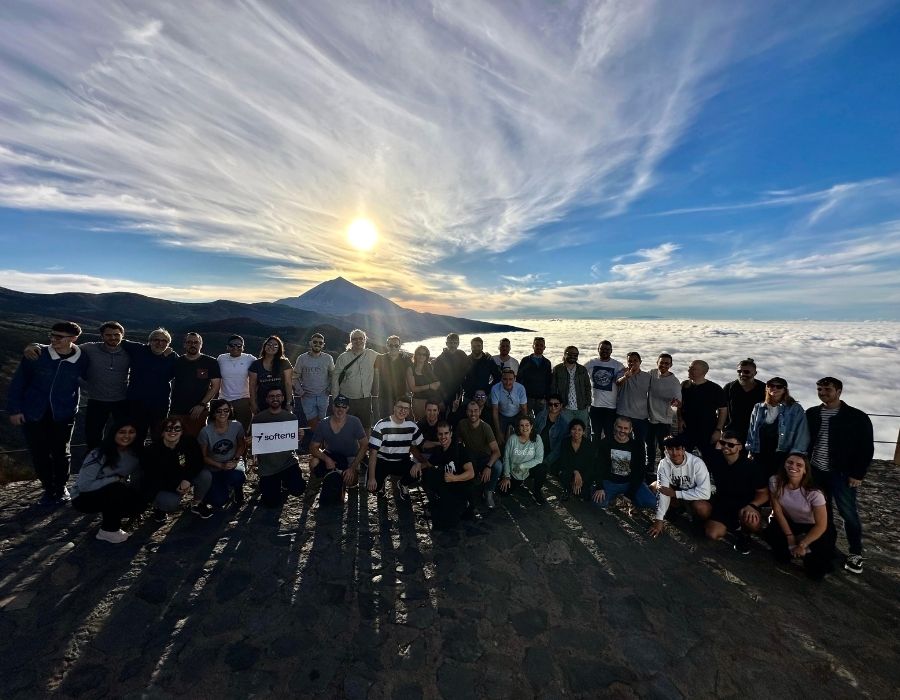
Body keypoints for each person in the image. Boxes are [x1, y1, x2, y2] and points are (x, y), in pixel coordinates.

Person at [8, 321, 88, 504]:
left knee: (61, 452)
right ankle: (48, 489)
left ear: (73, 339)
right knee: (39, 452)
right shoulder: (37, 354)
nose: (53, 339)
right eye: (51, 335)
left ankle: (61, 488)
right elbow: (18, 382)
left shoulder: (82, 358)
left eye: (59, 337)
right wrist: (15, 409)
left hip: (63, 413)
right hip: (33, 412)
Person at [24, 321, 130, 450]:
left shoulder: (129, 350)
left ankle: (119, 465)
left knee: (124, 437)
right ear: (101, 336)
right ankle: (94, 466)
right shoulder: (89, 348)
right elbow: (65, 345)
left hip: (122, 401)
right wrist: (35, 345)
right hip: (96, 400)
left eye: (116, 334)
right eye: (108, 335)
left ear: (122, 335)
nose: (113, 337)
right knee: (93, 438)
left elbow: (149, 349)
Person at [806, 376, 874, 575]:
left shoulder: (856, 417)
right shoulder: (812, 413)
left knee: (848, 513)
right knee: (821, 512)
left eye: (827, 389)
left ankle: (855, 552)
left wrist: (857, 473)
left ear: (839, 392)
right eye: (819, 389)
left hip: (842, 474)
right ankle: (825, 546)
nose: (823, 393)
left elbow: (866, 448)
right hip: (816, 471)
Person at [763, 453, 835, 581]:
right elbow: (777, 511)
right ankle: (794, 544)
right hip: (790, 521)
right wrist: (790, 537)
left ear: (805, 470)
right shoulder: (775, 481)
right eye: (789, 462)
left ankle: (816, 553)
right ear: (784, 464)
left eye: (799, 465)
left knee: (815, 574)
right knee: (781, 557)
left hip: (813, 526)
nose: (793, 466)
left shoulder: (814, 493)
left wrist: (802, 544)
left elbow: (821, 525)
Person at [71, 422, 146, 543]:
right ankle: (108, 531)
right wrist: (115, 479)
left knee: (138, 504)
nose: (126, 436)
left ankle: (112, 514)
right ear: (113, 433)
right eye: (122, 432)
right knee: (116, 489)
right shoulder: (98, 453)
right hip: (83, 498)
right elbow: (84, 486)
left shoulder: (135, 455)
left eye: (131, 432)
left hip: (110, 492)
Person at [704, 430, 768, 554]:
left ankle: (744, 534)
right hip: (723, 504)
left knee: (753, 522)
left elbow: (764, 493)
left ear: (740, 447)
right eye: (723, 443)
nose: (726, 447)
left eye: (731, 445)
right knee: (712, 534)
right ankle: (733, 526)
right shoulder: (716, 460)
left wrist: (753, 505)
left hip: (745, 505)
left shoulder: (751, 466)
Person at [144, 417, 213, 520]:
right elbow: (154, 477)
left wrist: (187, 479)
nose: (173, 431)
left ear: (182, 431)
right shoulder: (153, 450)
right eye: (168, 428)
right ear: (162, 432)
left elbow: (197, 463)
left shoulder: (190, 441)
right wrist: (176, 486)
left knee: (205, 475)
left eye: (177, 428)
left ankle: (197, 504)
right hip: (165, 485)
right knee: (169, 503)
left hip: (185, 477)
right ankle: (159, 509)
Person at [251, 387, 306, 507]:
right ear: (266, 399)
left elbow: (294, 443)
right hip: (267, 466)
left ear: (282, 398)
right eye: (271, 396)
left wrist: (300, 437)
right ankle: (272, 485)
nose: (275, 398)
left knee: (298, 489)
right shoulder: (258, 419)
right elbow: (255, 444)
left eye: (278, 396)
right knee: (271, 503)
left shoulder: (291, 418)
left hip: (288, 462)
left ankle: (286, 483)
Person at [309, 394, 368, 505]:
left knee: (351, 481)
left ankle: (340, 483)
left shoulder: (355, 422)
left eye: (344, 407)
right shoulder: (323, 423)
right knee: (313, 462)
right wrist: (326, 459)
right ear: (333, 407)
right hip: (331, 455)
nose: (340, 409)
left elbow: (364, 445)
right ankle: (316, 486)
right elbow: (313, 447)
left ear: (348, 409)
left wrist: (353, 467)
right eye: (338, 406)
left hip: (350, 457)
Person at [123, 328, 179, 444]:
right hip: (136, 402)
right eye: (156, 340)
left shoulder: (172, 357)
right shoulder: (139, 349)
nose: (160, 343)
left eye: (164, 341)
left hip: (160, 404)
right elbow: (119, 341)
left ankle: (156, 460)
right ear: (149, 341)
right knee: (137, 435)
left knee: (158, 435)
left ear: (168, 344)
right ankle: (136, 460)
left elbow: (182, 374)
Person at [649, 435, 711, 538]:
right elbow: (664, 491)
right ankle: (674, 509)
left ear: (683, 449)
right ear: (666, 449)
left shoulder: (697, 463)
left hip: (693, 497)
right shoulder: (663, 464)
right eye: (670, 449)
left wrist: (676, 493)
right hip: (676, 496)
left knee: (702, 508)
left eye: (678, 449)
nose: (674, 453)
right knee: (654, 487)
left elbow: (705, 493)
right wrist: (659, 520)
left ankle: (699, 521)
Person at [745, 377, 809, 477]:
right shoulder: (758, 407)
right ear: (767, 388)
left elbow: (801, 432)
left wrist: (796, 455)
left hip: (782, 454)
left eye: (778, 386)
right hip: (760, 452)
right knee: (759, 483)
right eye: (771, 386)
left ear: (784, 390)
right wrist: (751, 450)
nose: (774, 388)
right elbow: (752, 430)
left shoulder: (795, 408)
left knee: (777, 484)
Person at [366, 397, 425, 501]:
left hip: (402, 461)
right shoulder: (381, 425)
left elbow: (419, 445)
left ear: (409, 410)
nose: (403, 411)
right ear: (394, 408)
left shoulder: (412, 426)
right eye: (400, 407)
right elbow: (373, 453)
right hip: (383, 461)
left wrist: (420, 462)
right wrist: (371, 478)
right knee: (372, 488)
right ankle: (380, 484)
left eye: (406, 408)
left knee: (417, 472)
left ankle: (402, 484)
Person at [592, 416, 656, 510]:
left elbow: (640, 472)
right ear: (615, 426)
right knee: (598, 503)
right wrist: (599, 486)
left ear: (630, 430)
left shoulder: (637, 446)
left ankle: (634, 501)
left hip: (630, 482)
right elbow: (598, 466)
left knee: (651, 502)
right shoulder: (605, 443)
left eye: (626, 428)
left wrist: (630, 493)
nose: (622, 431)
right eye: (619, 427)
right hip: (610, 482)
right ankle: (612, 497)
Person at [421, 421, 476, 529]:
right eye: (440, 434)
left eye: (446, 433)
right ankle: (439, 502)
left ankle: (465, 506)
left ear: (450, 434)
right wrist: (418, 466)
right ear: (437, 435)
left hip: (462, 489)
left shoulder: (460, 449)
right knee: (429, 474)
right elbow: (429, 464)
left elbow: (471, 473)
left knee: (448, 524)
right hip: (449, 487)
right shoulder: (439, 450)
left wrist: (455, 478)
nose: (443, 436)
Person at [169, 332, 222, 437]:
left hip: (199, 411)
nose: (192, 345)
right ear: (184, 344)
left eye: (196, 342)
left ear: (201, 344)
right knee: (175, 441)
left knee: (196, 443)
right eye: (189, 342)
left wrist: (202, 405)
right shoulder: (177, 362)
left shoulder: (210, 362)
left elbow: (215, 386)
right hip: (177, 409)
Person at [198, 399, 247, 508]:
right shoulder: (205, 432)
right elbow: (203, 456)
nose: (223, 414)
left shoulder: (237, 426)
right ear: (213, 413)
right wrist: (220, 465)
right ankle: (220, 487)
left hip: (232, 462)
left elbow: (241, 445)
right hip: (214, 466)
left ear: (230, 412)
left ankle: (237, 489)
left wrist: (235, 459)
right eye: (219, 411)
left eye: (226, 410)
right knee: (218, 502)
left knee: (238, 476)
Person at [456, 400, 503, 510]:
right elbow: (458, 442)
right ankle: (468, 494)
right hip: (470, 457)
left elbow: (497, 451)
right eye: (470, 411)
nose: (473, 414)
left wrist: (488, 466)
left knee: (498, 466)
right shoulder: (462, 424)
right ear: (467, 412)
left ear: (480, 411)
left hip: (484, 458)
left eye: (476, 411)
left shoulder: (486, 427)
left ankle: (489, 491)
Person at [679, 360, 727, 464]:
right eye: (689, 368)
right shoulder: (684, 385)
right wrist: (680, 419)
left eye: (693, 369)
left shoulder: (715, 389)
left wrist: (718, 430)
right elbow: (680, 405)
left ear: (703, 372)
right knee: (682, 458)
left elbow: (723, 410)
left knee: (711, 460)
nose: (689, 370)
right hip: (687, 429)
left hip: (707, 430)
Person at [332, 329, 379, 435]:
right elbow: (335, 379)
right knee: (346, 426)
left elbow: (387, 359)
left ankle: (365, 448)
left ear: (365, 340)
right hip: (347, 399)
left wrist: (403, 356)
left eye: (360, 338)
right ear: (351, 341)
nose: (358, 341)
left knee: (366, 426)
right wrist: (335, 400)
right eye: (355, 339)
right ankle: (349, 449)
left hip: (365, 398)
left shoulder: (372, 355)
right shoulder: (343, 357)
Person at [499, 415, 546, 505]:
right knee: (503, 492)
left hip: (529, 469)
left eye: (527, 425)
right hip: (514, 471)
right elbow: (506, 458)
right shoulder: (512, 439)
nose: (524, 428)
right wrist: (506, 476)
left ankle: (537, 491)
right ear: (518, 427)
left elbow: (539, 459)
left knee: (543, 468)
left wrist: (522, 465)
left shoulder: (537, 438)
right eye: (522, 425)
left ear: (531, 426)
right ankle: (518, 483)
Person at [293, 333, 333, 433]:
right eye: (315, 342)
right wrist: (300, 391)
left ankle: (320, 446)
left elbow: (333, 375)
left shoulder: (328, 358)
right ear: (310, 343)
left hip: (323, 395)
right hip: (307, 396)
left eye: (320, 342)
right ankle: (317, 445)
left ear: (323, 345)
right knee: (313, 424)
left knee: (323, 422)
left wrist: (330, 389)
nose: (317, 344)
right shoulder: (302, 358)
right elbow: (294, 376)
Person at [646, 353, 681, 471]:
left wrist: (674, 404)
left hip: (664, 420)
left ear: (671, 365)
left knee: (663, 446)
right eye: (661, 362)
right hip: (650, 417)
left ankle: (665, 468)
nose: (664, 365)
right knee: (650, 445)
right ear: (657, 363)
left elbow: (678, 401)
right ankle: (650, 466)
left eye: (667, 363)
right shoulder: (652, 374)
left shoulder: (674, 381)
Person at [584, 340, 624, 441]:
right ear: (598, 349)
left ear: (611, 351)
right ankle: (596, 455)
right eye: (602, 349)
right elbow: (579, 371)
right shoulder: (591, 363)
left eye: (607, 349)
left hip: (611, 407)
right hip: (595, 405)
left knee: (609, 434)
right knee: (595, 433)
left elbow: (622, 382)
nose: (604, 351)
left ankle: (607, 455)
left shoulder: (618, 365)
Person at [217, 335, 256, 431]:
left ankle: (242, 446)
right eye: (232, 345)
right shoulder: (221, 358)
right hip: (224, 400)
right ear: (227, 347)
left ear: (243, 347)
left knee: (243, 431)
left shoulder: (250, 359)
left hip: (243, 400)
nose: (235, 347)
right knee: (224, 430)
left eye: (239, 345)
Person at [249, 335, 293, 416]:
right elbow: (252, 385)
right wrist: (253, 403)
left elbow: (288, 383)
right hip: (263, 402)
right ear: (265, 346)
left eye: (275, 346)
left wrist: (289, 402)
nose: (271, 347)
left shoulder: (284, 363)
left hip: (281, 402)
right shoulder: (256, 364)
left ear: (279, 349)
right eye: (269, 344)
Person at [723, 358, 766, 440]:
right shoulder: (729, 388)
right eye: (739, 371)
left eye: (746, 372)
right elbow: (722, 410)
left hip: (756, 432)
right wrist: (721, 429)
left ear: (755, 373)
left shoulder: (763, 388)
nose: (742, 374)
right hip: (732, 432)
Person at [551, 346, 591, 431]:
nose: (573, 356)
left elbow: (587, 386)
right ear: (565, 354)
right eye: (570, 354)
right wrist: (557, 405)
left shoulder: (582, 369)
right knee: (565, 431)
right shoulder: (558, 369)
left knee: (582, 432)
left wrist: (588, 403)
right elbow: (553, 388)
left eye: (575, 354)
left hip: (581, 407)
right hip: (565, 408)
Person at [615, 351, 651, 444]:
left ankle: (639, 459)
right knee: (623, 442)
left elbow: (654, 393)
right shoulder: (623, 373)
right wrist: (625, 377)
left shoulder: (647, 376)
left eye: (635, 360)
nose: (632, 363)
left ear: (640, 362)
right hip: (624, 414)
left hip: (641, 416)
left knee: (640, 444)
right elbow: (618, 383)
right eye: (630, 361)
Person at [533, 393, 570, 478]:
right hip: (536, 449)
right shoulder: (541, 415)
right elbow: (533, 432)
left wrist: (546, 461)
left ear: (561, 405)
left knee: (541, 469)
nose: (553, 407)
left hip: (550, 454)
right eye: (550, 404)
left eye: (556, 405)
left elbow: (558, 448)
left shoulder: (564, 423)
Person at [557, 419, 595, 502]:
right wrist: (575, 472)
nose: (576, 432)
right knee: (563, 473)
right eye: (574, 429)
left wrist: (581, 479)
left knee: (583, 495)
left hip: (584, 473)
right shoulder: (565, 442)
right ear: (570, 430)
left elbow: (590, 465)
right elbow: (564, 461)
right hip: (570, 471)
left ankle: (580, 488)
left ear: (584, 432)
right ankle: (567, 489)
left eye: (579, 429)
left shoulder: (589, 444)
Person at [490, 367, 528, 448]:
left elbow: (524, 409)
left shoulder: (520, 388)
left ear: (515, 379)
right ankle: (501, 456)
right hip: (502, 414)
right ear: (501, 379)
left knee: (521, 437)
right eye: (505, 379)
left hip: (517, 414)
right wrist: (498, 432)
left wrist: (524, 427)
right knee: (499, 439)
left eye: (510, 379)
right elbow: (495, 410)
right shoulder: (495, 388)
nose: (508, 382)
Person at [378, 335, 412, 419]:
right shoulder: (380, 358)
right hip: (384, 398)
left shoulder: (405, 359)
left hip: (400, 398)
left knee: (400, 422)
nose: (393, 347)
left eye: (396, 345)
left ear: (400, 346)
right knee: (385, 422)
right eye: (390, 345)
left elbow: (411, 375)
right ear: (387, 345)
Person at [517, 336, 552, 415]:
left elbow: (548, 381)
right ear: (533, 346)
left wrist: (546, 398)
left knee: (541, 421)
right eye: (537, 345)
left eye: (541, 345)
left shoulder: (547, 363)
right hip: (527, 398)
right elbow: (519, 378)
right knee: (526, 420)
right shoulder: (525, 360)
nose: (539, 347)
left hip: (541, 399)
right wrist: (520, 396)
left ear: (544, 347)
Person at [433, 333, 470, 408]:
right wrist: (439, 399)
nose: (452, 345)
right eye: (450, 343)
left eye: (455, 343)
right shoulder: (440, 359)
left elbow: (469, 367)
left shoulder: (461, 355)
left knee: (455, 414)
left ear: (458, 344)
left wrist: (485, 354)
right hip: (443, 393)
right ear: (446, 343)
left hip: (457, 392)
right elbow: (435, 379)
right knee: (443, 415)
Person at [407, 345, 441, 420]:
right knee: (420, 423)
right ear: (415, 355)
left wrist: (437, 384)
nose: (421, 356)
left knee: (432, 423)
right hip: (419, 401)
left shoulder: (429, 366)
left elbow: (436, 381)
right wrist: (429, 386)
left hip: (432, 400)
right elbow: (413, 388)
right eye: (419, 354)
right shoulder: (411, 369)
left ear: (427, 356)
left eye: (424, 354)